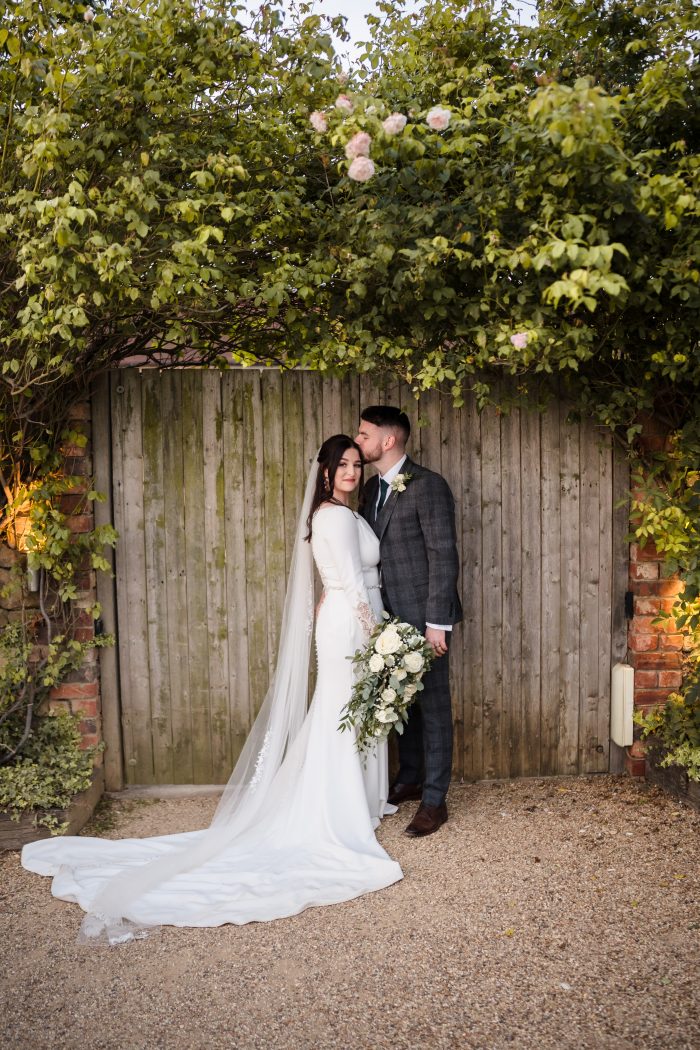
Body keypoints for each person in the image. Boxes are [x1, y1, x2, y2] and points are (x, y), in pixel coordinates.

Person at [21, 436, 402, 944]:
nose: (352, 471)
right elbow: (352, 585)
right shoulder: (334, 517)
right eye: (342, 465)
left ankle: (357, 798)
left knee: (346, 710)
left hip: (345, 620)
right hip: (356, 624)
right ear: (326, 472)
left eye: (357, 464)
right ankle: (340, 807)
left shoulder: (340, 514)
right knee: (344, 710)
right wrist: (379, 637)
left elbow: (335, 583)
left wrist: (344, 617)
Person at [356, 406, 461, 838]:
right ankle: (411, 776)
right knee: (403, 702)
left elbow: (443, 555)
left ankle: (435, 801)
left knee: (433, 706)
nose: (357, 440)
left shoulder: (429, 486)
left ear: (388, 440)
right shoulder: (367, 490)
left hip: (423, 616)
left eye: (364, 434)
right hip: (385, 616)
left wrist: (438, 621)